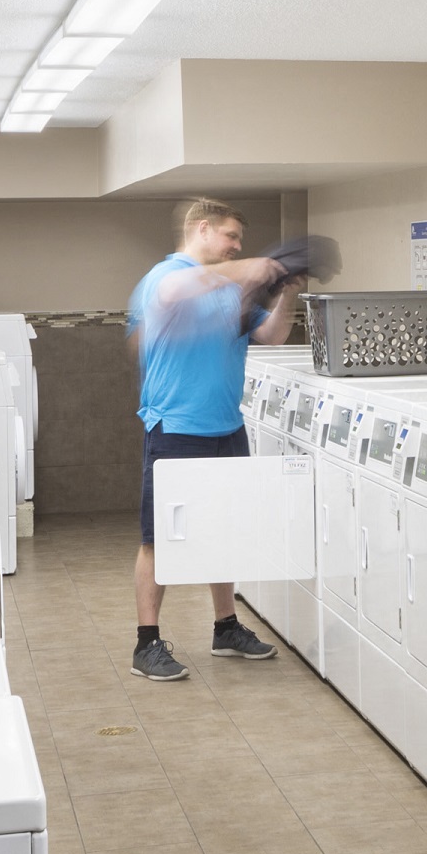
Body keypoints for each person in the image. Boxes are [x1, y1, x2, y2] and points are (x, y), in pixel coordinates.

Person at [127, 198, 297, 681]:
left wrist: (283, 293)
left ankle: (225, 628)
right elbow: (177, 292)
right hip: (176, 428)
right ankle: (146, 643)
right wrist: (254, 268)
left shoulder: (231, 289)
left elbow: (272, 335)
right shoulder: (165, 277)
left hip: (227, 426)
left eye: (240, 242)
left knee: (225, 532)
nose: (237, 247)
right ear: (203, 230)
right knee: (158, 539)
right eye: (230, 237)